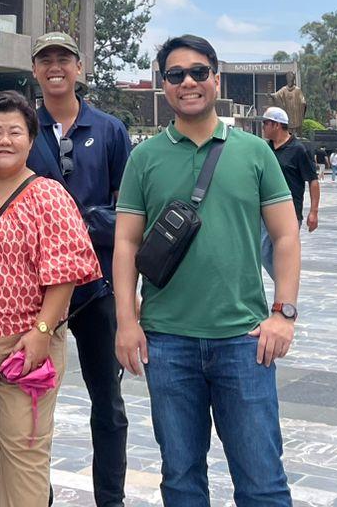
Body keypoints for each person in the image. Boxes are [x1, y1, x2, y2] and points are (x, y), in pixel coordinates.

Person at [114, 34, 300, 507]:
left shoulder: (255, 153)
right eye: (176, 75)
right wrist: (127, 323)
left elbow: (285, 236)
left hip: (243, 340)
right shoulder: (145, 158)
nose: (189, 82)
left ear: (215, 78)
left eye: (199, 72)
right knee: (180, 479)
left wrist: (283, 312)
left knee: (262, 480)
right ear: (163, 85)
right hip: (168, 341)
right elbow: (126, 243)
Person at [0, 90, 102, 507]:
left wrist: (41, 331)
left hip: (26, 347)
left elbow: (66, 270)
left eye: (15, 132)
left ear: (31, 139)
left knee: (24, 455)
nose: (5, 140)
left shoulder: (47, 194)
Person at [23, 31, 131, 507]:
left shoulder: (108, 130)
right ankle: (35, 495)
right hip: (37, 293)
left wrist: (76, 222)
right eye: (45, 60)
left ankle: (112, 498)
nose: (55, 68)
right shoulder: (23, 128)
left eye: (63, 59)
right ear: (35, 70)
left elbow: (130, 212)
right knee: (30, 401)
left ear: (79, 67)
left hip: (98, 289)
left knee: (107, 403)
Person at [258, 106, 319, 276]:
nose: (263, 127)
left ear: (276, 125)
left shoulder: (298, 149)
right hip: (265, 210)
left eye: (266, 123)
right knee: (263, 251)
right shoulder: (265, 149)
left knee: (283, 253)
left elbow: (313, 181)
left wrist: (313, 212)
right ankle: (284, 289)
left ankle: (285, 290)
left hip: (290, 212)